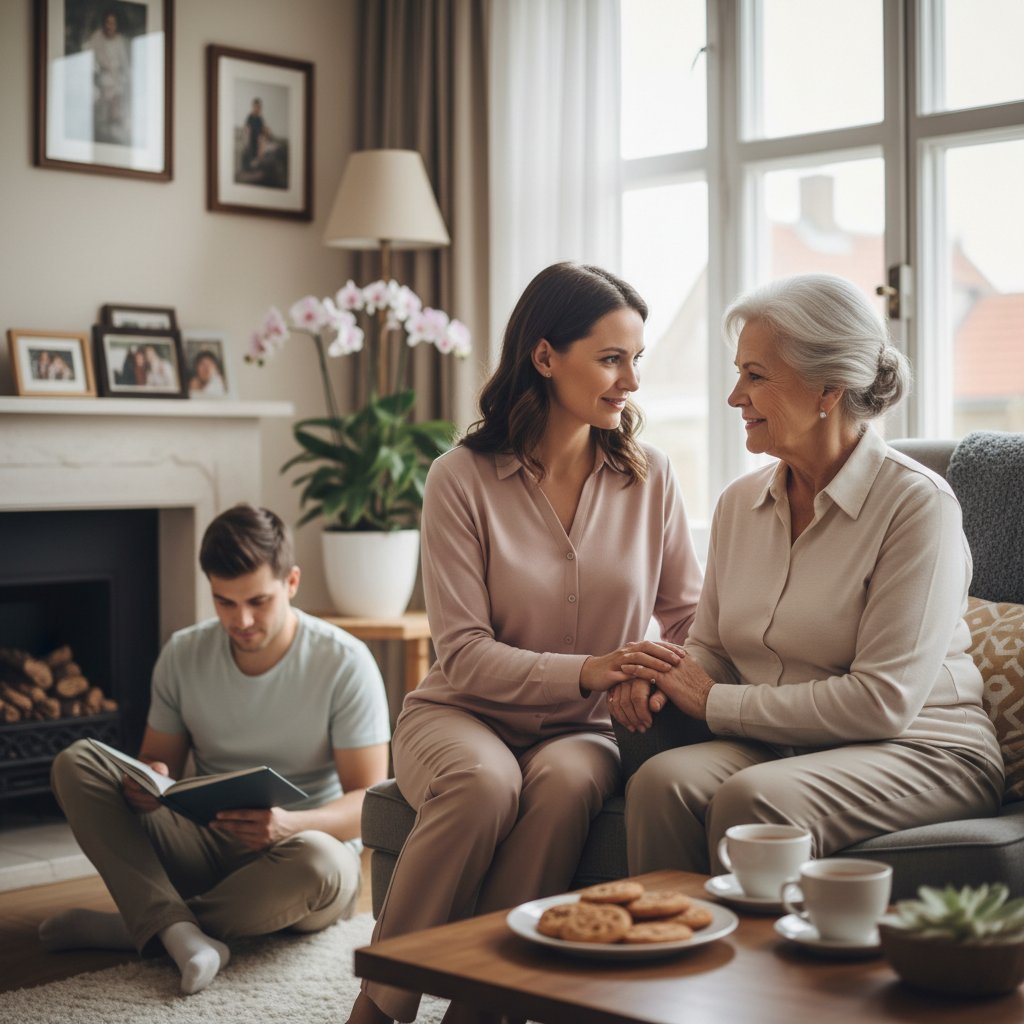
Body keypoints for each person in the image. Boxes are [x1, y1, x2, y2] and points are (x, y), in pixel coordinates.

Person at [346, 261, 704, 1024]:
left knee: (567, 783)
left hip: (582, 732)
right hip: (460, 714)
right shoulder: (459, 479)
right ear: (545, 356)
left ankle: (485, 1011)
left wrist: (652, 677)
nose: (630, 382)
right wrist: (595, 668)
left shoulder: (654, 479)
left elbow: (688, 617)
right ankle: (379, 1009)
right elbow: (465, 653)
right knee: (484, 784)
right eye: (612, 359)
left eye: (636, 360)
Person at [620, 273, 1003, 879]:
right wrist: (664, 678)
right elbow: (713, 650)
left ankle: (760, 975)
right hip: (784, 744)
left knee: (756, 800)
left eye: (756, 375)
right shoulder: (738, 505)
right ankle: (666, 961)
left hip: (921, 749)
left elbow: (882, 704)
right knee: (660, 783)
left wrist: (714, 701)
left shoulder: (918, 505)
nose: (734, 397)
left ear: (828, 387)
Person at [41, 504, 391, 995]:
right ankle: (178, 929)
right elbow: (156, 764)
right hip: (202, 842)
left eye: (258, 601)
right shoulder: (183, 652)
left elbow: (370, 804)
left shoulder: (344, 662)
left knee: (323, 861)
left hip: (298, 855)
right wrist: (148, 781)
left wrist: (289, 824)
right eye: (224, 602)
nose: (241, 619)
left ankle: (145, 927)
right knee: (75, 761)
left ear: (292, 582)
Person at [83, 9, 131, 145]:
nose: (110, 26)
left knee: (117, 96)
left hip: (116, 80)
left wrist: (122, 77)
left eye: (113, 23)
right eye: (108, 23)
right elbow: (88, 57)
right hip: (101, 79)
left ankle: (114, 124)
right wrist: (97, 71)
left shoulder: (120, 41)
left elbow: (125, 65)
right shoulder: (96, 37)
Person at [242, 98, 272, 171]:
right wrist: (247, 135)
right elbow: (246, 129)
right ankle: (255, 162)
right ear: (253, 107)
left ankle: (258, 161)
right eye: (257, 107)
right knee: (258, 144)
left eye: (259, 107)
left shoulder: (260, 118)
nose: (258, 109)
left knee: (263, 142)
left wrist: (267, 131)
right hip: (252, 140)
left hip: (259, 139)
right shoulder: (250, 117)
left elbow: (263, 129)